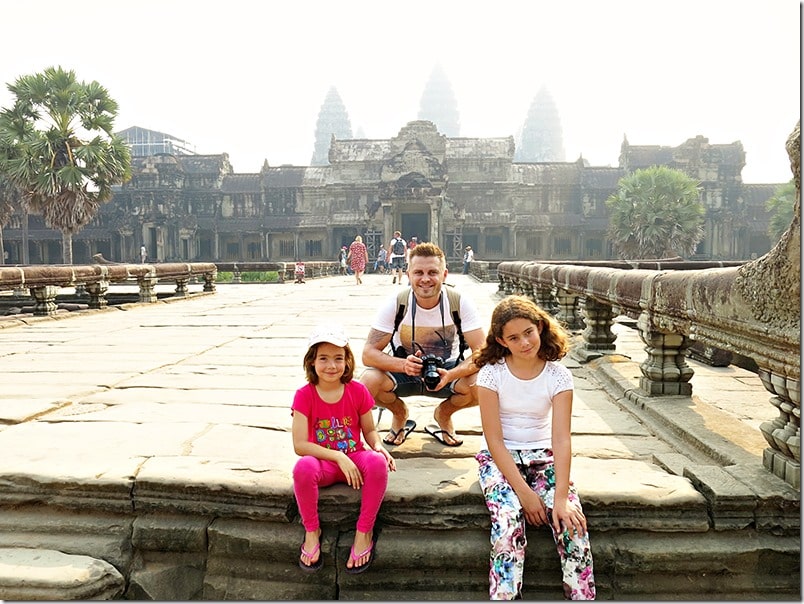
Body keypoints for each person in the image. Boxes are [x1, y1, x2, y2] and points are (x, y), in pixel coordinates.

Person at [473, 295, 595, 600]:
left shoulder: (558, 375)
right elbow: (494, 439)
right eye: (514, 338)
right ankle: (504, 597)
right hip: (500, 459)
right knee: (507, 520)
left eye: (528, 332)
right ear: (501, 340)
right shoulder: (491, 373)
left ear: (540, 326)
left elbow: (561, 439)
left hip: (544, 456)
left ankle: (581, 596)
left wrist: (561, 497)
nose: (525, 342)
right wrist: (526, 495)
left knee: (571, 523)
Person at [292, 324, 396, 575]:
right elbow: (300, 445)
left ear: (347, 361)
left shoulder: (357, 390)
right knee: (303, 467)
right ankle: (311, 531)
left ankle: (364, 531)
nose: (331, 366)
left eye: (338, 358)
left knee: (377, 463)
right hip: (325, 463)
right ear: (312, 362)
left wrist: (379, 447)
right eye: (323, 359)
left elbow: (370, 431)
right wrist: (338, 456)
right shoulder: (304, 395)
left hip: (355, 459)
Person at [360, 242, 486, 447]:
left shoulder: (459, 302)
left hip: (448, 371)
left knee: (484, 382)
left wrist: (452, 375)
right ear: (408, 274)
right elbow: (368, 354)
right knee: (367, 382)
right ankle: (399, 414)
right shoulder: (396, 303)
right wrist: (403, 365)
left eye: (432, 272)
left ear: (444, 275)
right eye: (418, 272)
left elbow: (482, 353)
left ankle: (444, 414)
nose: (425, 279)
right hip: (404, 370)